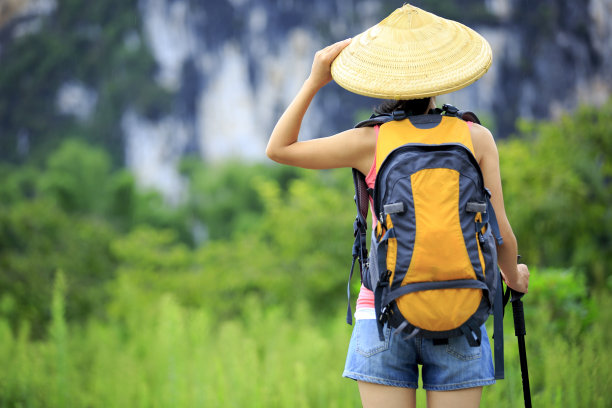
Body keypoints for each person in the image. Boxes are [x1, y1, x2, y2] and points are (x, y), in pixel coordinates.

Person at [266, 4, 529, 408]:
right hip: (461, 310)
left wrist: (316, 79)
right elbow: (501, 234)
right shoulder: (477, 138)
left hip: (382, 316)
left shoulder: (369, 141)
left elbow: (279, 148)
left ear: (386, 82)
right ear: (441, 77)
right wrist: (514, 276)